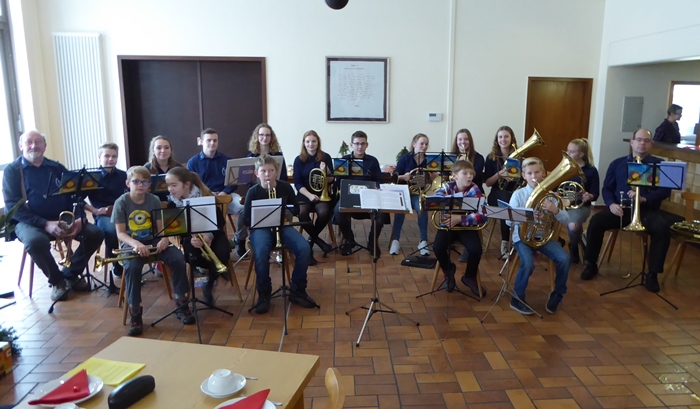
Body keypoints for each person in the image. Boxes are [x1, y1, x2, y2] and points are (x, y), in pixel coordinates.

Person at [2, 130, 104, 301]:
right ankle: (57, 281)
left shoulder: (56, 167)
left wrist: (80, 217)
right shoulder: (12, 171)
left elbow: (75, 195)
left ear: (45, 146)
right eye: (29, 142)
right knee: (35, 242)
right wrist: (45, 224)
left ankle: (70, 274)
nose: (33, 146)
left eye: (38, 142)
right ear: (21, 146)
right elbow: (12, 206)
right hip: (28, 222)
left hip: (61, 218)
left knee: (95, 233)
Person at [580, 129, 672, 292]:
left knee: (662, 228)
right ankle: (591, 264)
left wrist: (644, 198)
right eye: (639, 140)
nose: (642, 143)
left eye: (646, 140)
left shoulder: (659, 164)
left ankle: (653, 274)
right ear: (632, 142)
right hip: (620, 209)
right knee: (596, 222)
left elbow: (665, 191)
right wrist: (611, 204)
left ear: (651, 144)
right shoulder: (617, 164)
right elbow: (607, 189)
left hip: (646, 211)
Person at [112, 166, 194, 336]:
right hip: (131, 243)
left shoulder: (154, 199)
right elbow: (120, 233)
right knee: (132, 268)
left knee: (178, 259)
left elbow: (160, 228)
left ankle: (181, 302)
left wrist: (164, 239)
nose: (140, 185)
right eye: (136, 181)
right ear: (128, 183)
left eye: (144, 182)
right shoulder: (121, 202)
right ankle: (135, 312)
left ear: (149, 185)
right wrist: (135, 244)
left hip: (155, 240)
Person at [243, 154, 317, 314]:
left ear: (276, 172)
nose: (267, 175)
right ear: (256, 173)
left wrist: (285, 210)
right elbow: (246, 219)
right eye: (263, 171)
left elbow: (296, 209)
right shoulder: (253, 192)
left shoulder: (285, 187)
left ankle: (297, 288)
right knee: (261, 253)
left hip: (283, 226)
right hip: (261, 228)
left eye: (271, 171)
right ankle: (264, 292)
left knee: (304, 248)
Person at [507, 157, 570, 315]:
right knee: (528, 263)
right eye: (530, 173)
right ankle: (517, 298)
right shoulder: (518, 195)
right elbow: (508, 221)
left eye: (537, 172)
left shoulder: (551, 196)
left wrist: (555, 210)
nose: (534, 176)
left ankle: (558, 294)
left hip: (543, 238)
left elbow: (566, 220)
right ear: (524, 175)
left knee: (564, 258)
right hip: (522, 238)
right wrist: (527, 217)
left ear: (544, 173)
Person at [165, 167, 231, 306]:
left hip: (214, 235)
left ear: (187, 184)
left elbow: (220, 222)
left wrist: (209, 235)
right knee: (193, 256)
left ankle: (209, 284)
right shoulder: (172, 204)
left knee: (223, 252)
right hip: (191, 239)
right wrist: (192, 238)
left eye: (174, 185)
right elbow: (176, 229)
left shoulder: (206, 197)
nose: (170, 189)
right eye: (168, 185)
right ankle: (215, 272)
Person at [432, 160, 487, 297]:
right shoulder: (447, 187)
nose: (469, 176)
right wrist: (445, 201)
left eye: (471, 173)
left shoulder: (475, 190)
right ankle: (448, 270)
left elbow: (483, 215)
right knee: (437, 247)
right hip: (448, 225)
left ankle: (469, 276)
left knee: (476, 249)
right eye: (465, 173)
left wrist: (460, 219)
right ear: (454, 176)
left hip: (466, 227)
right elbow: (435, 199)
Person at [186, 128, 245, 251]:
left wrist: (224, 192)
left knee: (243, 209)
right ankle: (209, 244)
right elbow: (192, 185)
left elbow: (234, 182)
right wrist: (208, 193)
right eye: (209, 140)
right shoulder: (193, 162)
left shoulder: (227, 160)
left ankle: (239, 240)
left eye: (215, 140)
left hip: (226, 195)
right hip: (204, 198)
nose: (212, 143)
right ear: (201, 141)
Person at [334, 131, 386, 257]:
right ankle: (349, 240)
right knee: (338, 211)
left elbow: (378, 180)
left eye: (363, 144)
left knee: (381, 214)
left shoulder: (372, 161)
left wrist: (377, 187)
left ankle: (372, 242)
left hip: (369, 197)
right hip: (349, 197)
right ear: (351, 144)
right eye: (357, 143)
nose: (360, 147)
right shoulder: (344, 161)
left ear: (367, 145)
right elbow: (338, 182)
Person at [241, 123, 288, 257]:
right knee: (244, 213)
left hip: (275, 191)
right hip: (257, 194)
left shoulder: (278, 155)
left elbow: (283, 177)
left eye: (268, 135)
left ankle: (278, 239)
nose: (264, 138)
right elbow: (247, 181)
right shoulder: (251, 156)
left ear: (271, 137)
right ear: (257, 137)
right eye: (261, 135)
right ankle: (242, 239)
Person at [85, 142, 128, 277]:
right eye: (107, 156)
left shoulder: (124, 175)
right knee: (111, 231)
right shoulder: (91, 177)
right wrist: (95, 211)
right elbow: (79, 200)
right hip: (103, 216)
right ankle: (116, 265)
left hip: (122, 213)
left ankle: (134, 261)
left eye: (114, 156)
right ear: (99, 157)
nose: (111, 159)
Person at [292, 130, 334, 265]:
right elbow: (297, 183)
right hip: (305, 193)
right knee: (302, 213)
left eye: (313, 141)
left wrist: (326, 171)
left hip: (321, 193)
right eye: (308, 141)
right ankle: (319, 241)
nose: (311, 144)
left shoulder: (325, 157)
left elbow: (332, 180)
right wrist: (310, 196)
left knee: (324, 212)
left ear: (318, 142)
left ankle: (310, 241)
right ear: (304, 143)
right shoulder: (298, 160)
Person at [389, 133, 431, 256]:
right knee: (400, 210)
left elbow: (430, 179)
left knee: (422, 208)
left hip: (418, 193)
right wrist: (404, 177)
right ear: (414, 144)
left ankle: (423, 241)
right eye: (421, 143)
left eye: (426, 144)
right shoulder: (405, 159)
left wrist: (432, 176)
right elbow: (395, 177)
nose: (424, 146)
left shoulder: (429, 160)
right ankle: (395, 240)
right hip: (404, 192)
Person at [484, 126, 519, 260]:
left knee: (515, 199)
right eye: (500, 137)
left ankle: (522, 241)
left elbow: (524, 180)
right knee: (506, 200)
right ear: (496, 139)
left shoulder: (519, 158)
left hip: (514, 193)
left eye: (506, 136)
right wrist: (500, 174)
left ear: (511, 138)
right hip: (496, 194)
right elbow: (488, 183)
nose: (503, 139)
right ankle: (505, 242)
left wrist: (516, 177)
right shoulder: (491, 158)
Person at [450, 128, 485, 262]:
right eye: (460, 139)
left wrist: (467, 164)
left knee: (468, 208)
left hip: (473, 191)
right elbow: (447, 176)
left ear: (470, 141)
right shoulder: (451, 156)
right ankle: (451, 235)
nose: (462, 142)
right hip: (456, 190)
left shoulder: (479, 158)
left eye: (465, 139)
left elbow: (475, 176)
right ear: (456, 141)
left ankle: (467, 243)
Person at [563, 139, 599, 264]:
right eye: (567, 150)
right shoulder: (565, 167)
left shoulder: (591, 171)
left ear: (581, 154)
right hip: (562, 204)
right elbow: (556, 188)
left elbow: (595, 193)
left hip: (580, 206)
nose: (567, 153)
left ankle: (573, 246)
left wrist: (589, 196)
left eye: (571, 151)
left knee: (573, 226)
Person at [144, 135, 182, 201]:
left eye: (166, 148)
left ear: (171, 150)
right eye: (159, 148)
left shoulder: (179, 168)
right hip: (153, 203)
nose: (163, 150)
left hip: (176, 202)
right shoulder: (146, 169)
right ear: (153, 151)